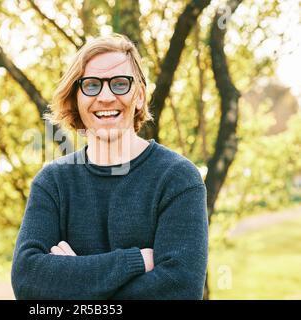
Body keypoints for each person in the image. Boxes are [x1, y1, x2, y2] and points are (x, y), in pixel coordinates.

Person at [11, 33, 208, 300]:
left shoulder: (177, 178)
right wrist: (135, 262)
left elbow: (179, 290)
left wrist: (71, 279)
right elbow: (27, 280)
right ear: (76, 99)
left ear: (139, 96)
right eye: (91, 85)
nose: (105, 97)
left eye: (119, 84)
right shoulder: (52, 183)